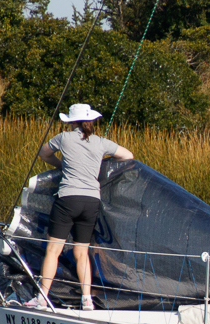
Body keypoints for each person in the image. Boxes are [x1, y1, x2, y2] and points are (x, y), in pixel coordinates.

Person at [25, 103, 134, 310]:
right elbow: (128, 155)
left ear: (71, 121)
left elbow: (44, 153)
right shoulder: (101, 142)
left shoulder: (63, 138)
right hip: (92, 201)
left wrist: (61, 165)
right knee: (82, 253)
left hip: (68, 199)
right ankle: (87, 299)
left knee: (53, 250)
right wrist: (99, 165)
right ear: (91, 120)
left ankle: (41, 298)